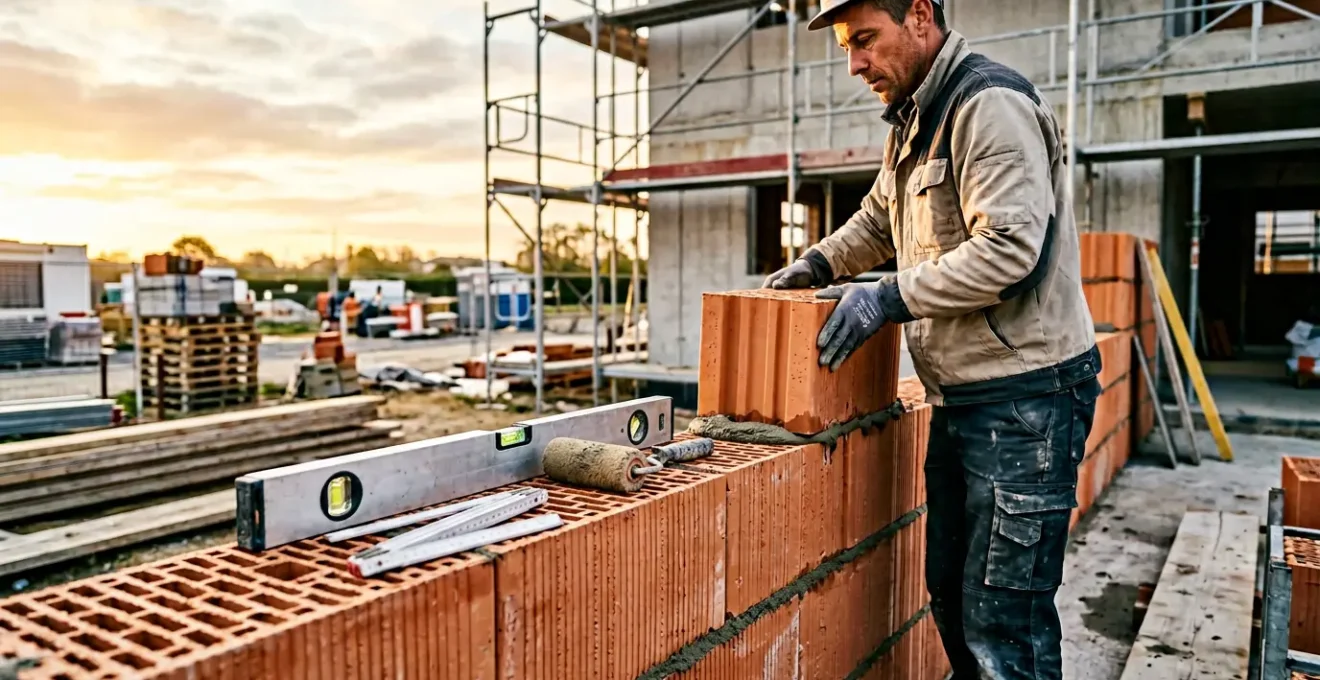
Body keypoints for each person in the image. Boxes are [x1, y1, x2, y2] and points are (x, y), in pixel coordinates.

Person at [763, 1, 1101, 678]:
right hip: (969, 400)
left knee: (1004, 623)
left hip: (1027, 403)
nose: (854, 63)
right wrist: (819, 264)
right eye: (845, 46)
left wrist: (888, 298)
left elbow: (1010, 251)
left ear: (919, 15)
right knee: (953, 595)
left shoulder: (988, 106)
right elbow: (879, 220)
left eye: (865, 40)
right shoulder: (918, 119)